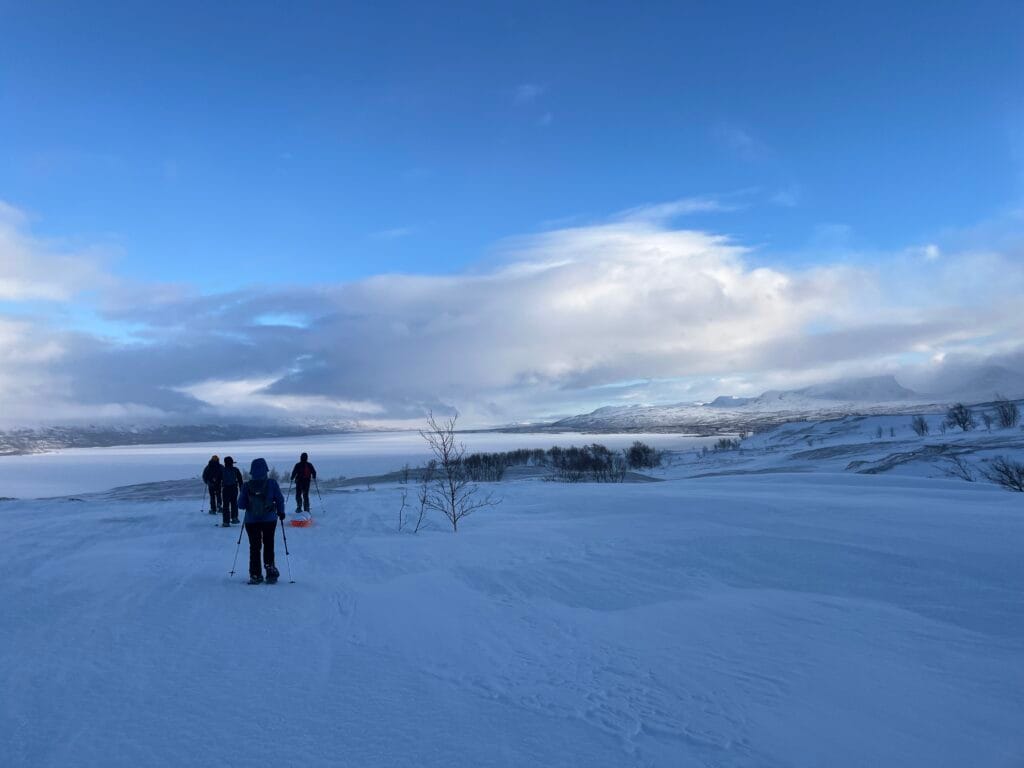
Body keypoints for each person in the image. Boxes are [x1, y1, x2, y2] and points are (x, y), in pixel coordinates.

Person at [238, 457, 285, 584]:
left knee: (254, 547)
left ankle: (255, 575)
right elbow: (280, 499)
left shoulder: (246, 485)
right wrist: (281, 512)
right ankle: (270, 572)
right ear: (266, 470)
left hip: (251, 521)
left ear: (252, 471)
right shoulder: (272, 483)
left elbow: (240, 505)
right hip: (269, 519)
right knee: (269, 544)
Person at [220, 456, 243, 527]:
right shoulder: (235, 469)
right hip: (234, 488)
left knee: (226, 505)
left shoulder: (222, 470)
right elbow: (240, 479)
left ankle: (226, 522)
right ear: (232, 463)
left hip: (226, 489)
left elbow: (218, 480)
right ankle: (234, 518)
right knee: (234, 503)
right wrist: (241, 488)